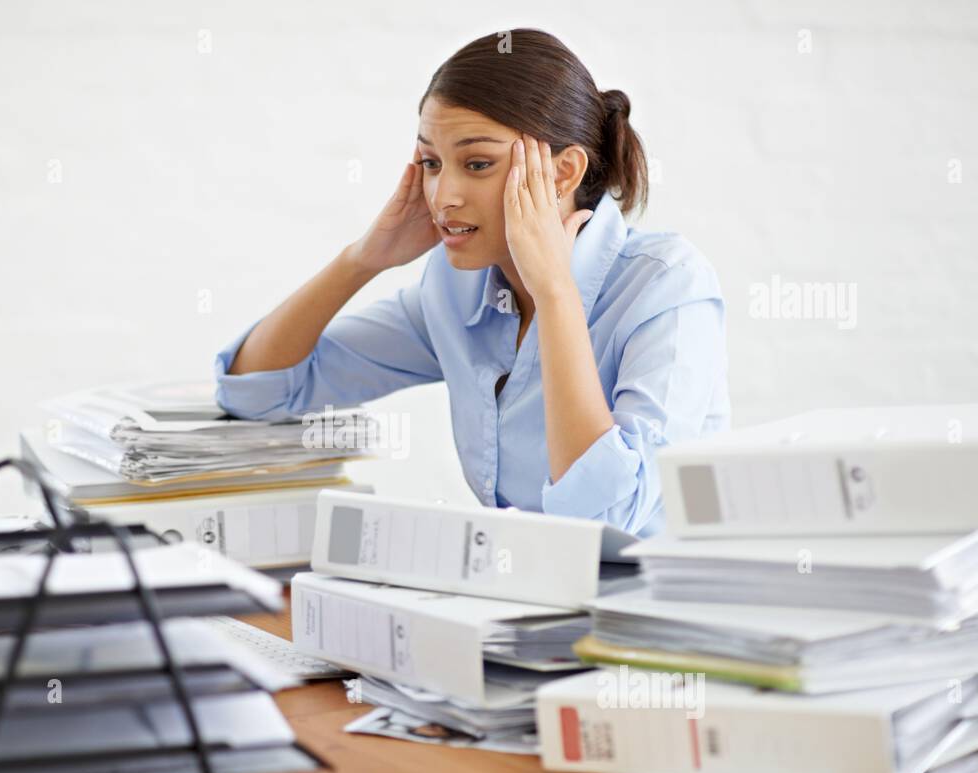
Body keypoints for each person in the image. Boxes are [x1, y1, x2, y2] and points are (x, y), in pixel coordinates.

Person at [213, 28, 730, 537]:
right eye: (432, 163)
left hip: (654, 608)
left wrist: (554, 292)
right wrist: (361, 260)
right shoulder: (457, 291)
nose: (443, 195)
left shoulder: (667, 286)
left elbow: (603, 521)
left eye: (477, 163)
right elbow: (257, 391)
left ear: (564, 173)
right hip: (520, 599)